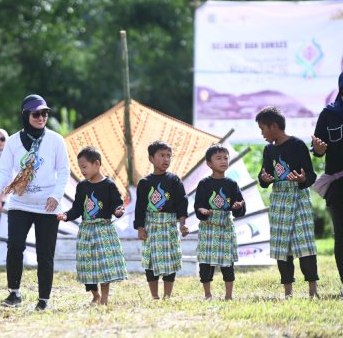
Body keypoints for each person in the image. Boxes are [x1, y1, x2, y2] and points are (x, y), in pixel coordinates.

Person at [0, 94, 70, 311]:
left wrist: (56, 195)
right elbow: (4, 171)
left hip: (48, 204)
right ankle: (14, 294)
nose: (41, 117)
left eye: (44, 113)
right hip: (20, 203)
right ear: (25, 115)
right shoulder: (13, 141)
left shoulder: (56, 140)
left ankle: (44, 300)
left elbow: (63, 171)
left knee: (45, 252)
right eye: (36, 114)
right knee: (14, 246)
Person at [256, 106, 319, 298]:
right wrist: (265, 179)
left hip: (299, 198)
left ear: (274, 126)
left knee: (305, 243)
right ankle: (288, 291)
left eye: (262, 129)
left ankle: (312, 289)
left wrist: (302, 179)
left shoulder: (298, 145)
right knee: (282, 247)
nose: (262, 133)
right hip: (279, 200)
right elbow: (264, 175)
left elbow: (310, 174)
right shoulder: (268, 150)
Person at [57, 146, 127, 305]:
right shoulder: (82, 186)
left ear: (97, 164)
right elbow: (77, 208)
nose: (82, 171)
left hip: (103, 229)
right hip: (86, 230)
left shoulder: (109, 184)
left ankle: (105, 298)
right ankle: (95, 294)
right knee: (87, 264)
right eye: (80, 167)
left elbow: (117, 204)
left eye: (84, 167)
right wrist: (66, 215)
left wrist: (118, 210)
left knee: (104, 265)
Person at [134, 141, 189, 300]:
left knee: (170, 259)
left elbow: (182, 203)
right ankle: (155, 296)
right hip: (151, 225)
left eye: (169, 156)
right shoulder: (144, 183)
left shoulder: (174, 180)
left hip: (169, 224)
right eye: (162, 155)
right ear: (151, 158)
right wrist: (140, 227)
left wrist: (183, 224)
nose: (166, 159)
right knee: (150, 261)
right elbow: (140, 207)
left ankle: (167, 296)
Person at [194, 144, 246, 301]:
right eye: (218, 158)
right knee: (205, 263)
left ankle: (228, 296)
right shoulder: (204, 184)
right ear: (209, 163)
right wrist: (202, 211)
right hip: (208, 227)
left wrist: (237, 207)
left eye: (226, 158)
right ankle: (207, 294)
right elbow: (198, 205)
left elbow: (240, 208)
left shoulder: (232, 184)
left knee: (227, 264)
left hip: (225, 228)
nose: (223, 161)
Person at [312, 72, 343, 297]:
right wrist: (320, 150)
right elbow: (317, 148)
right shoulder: (329, 114)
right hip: (339, 186)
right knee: (342, 236)